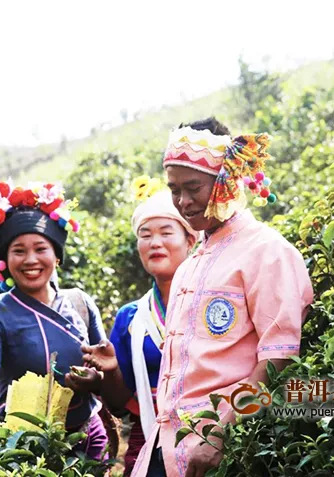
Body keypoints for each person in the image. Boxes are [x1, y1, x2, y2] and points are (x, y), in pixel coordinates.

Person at [126, 118, 314, 477]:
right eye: (174, 189)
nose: (183, 201)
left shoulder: (267, 251)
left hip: (225, 454)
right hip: (165, 449)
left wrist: (222, 432)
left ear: (226, 179)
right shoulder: (191, 261)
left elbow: (280, 362)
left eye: (193, 187)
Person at [0, 180, 109, 460]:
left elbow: (107, 366)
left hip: (87, 442)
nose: (30, 260)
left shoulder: (79, 303)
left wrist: (96, 379)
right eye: (19, 251)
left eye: (40, 249)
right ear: (6, 260)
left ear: (57, 256)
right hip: (22, 450)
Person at [81, 179, 198, 475]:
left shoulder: (212, 304)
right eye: (145, 235)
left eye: (166, 233)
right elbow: (120, 406)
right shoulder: (131, 317)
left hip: (206, 437)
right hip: (147, 441)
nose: (155, 242)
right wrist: (111, 371)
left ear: (191, 241)